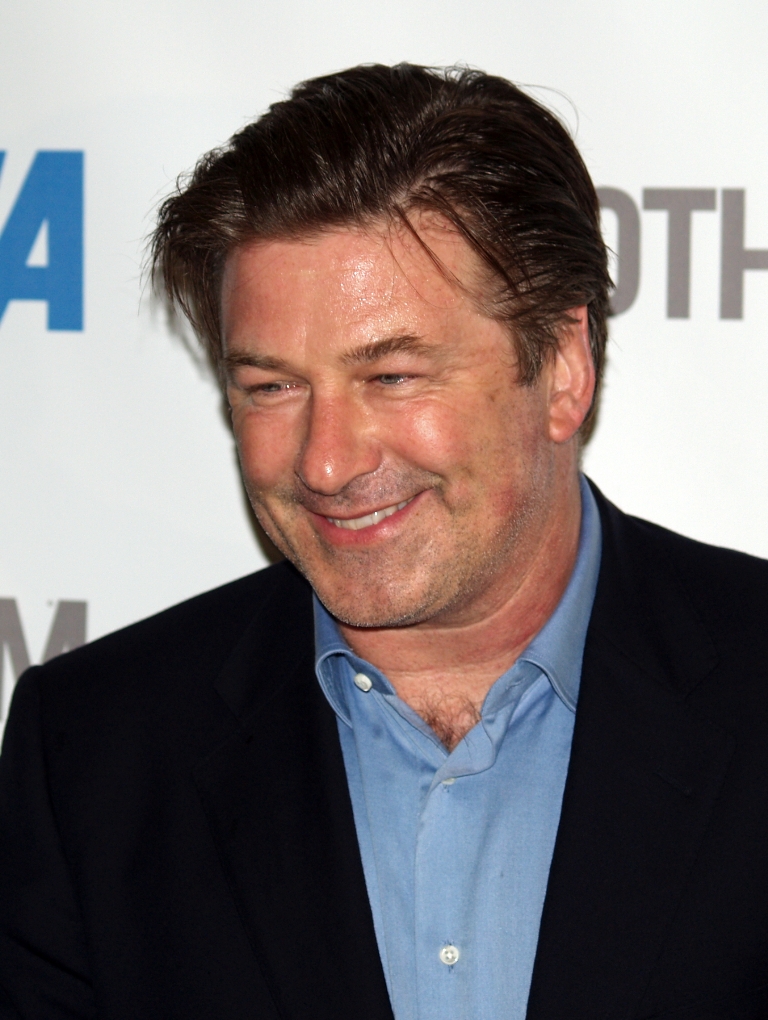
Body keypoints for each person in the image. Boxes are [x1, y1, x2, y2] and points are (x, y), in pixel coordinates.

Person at [1, 63, 767, 1020]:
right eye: (272, 387)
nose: (325, 462)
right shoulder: (93, 754)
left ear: (564, 367)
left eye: (393, 376)